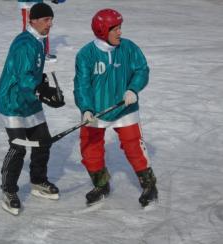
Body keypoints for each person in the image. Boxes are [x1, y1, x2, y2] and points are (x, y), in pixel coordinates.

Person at [73, 8, 158, 207]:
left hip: (125, 108)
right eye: (115, 29)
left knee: (133, 146)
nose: (120, 32)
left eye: (120, 28)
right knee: (90, 149)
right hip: (97, 110)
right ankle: (101, 185)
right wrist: (86, 109)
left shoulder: (128, 48)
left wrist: (133, 89)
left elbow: (142, 70)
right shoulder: (86, 55)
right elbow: (82, 85)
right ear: (103, 31)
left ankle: (149, 185)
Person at [0, 2, 65, 215]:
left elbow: (33, 72)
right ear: (32, 20)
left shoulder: (37, 41)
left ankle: (38, 181)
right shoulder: (25, 43)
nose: (50, 24)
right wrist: (41, 91)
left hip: (29, 101)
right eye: (46, 19)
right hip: (13, 103)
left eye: (51, 20)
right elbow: (23, 77)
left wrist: (44, 84)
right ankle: (8, 191)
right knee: (18, 148)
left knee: (43, 141)